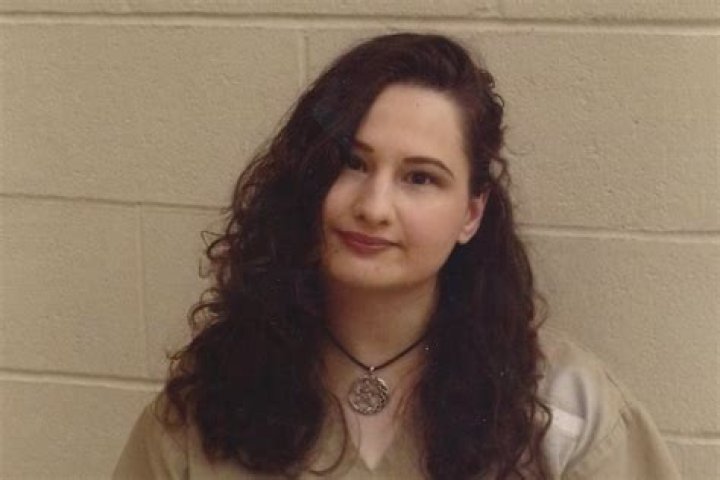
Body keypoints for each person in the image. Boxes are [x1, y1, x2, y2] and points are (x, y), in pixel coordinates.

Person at [114, 33, 680, 479]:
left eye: (420, 178)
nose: (374, 207)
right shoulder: (209, 403)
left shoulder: (566, 409)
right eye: (352, 163)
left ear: (471, 213)